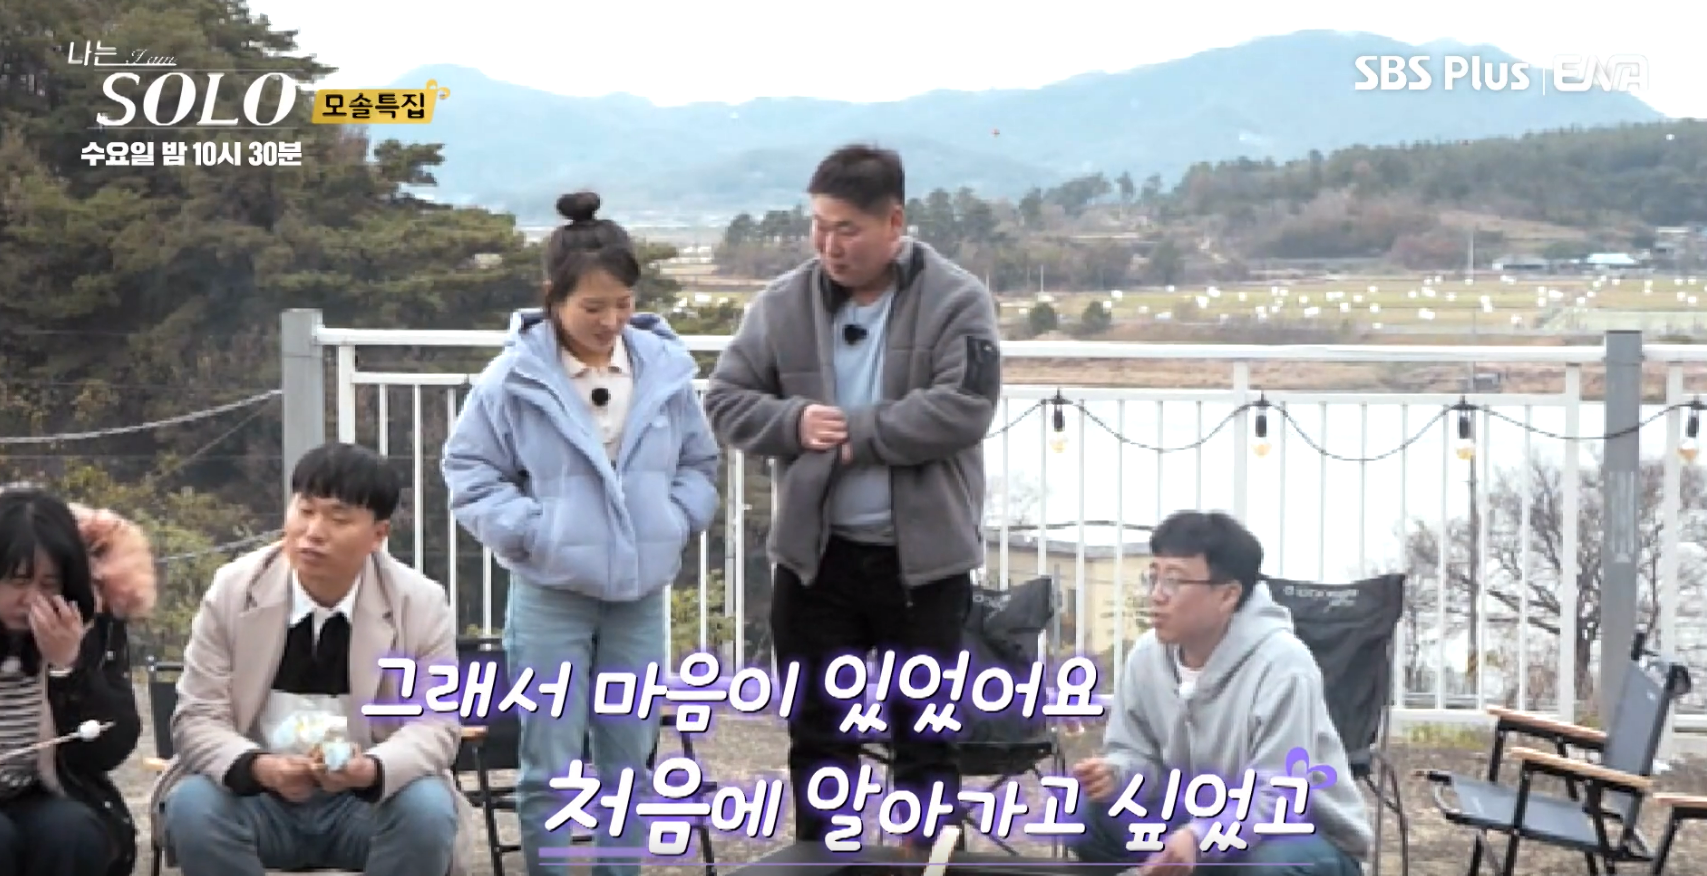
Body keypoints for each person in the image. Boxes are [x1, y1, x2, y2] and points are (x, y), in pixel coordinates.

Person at [702, 144, 1001, 847]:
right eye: (819, 226)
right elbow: (726, 400)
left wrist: (858, 434)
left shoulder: (957, 299)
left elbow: (965, 407)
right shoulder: (781, 304)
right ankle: (824, 863)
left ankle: (925, 863)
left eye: (847, 229)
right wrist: (793, 423)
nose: (829, 246)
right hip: (816, 561)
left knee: (924, 740)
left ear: (894, 222)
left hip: (922, 565)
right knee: (818, 738)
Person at [442, 191, 719, 876]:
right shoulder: (512, 377)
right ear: (552, 297)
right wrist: (535, 532)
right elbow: (469, 472)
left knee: (629, 761)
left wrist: (676, 519)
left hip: (639, 596)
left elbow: (699, 462)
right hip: (549, 593)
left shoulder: (663, 368)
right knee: (550, 765)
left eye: (622, 304)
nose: (610, 321)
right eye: (592, 307)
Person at [151, 443, 467, 876]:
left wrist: (369, 770)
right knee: (194, 804)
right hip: (258, 797)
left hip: (364, 804)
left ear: (378, 535)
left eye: (339, 518)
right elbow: (197, 717)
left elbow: (436, 725)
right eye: (305, 510)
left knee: (427, 809)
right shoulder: (234, 589)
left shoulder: (420, 603)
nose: (313, 532)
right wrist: (261, 768)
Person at [1067, 510, 1368, 876]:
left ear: (1227, 595)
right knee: (1084, 813)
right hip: (1194, 818)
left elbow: (1279, 795)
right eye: (1153, 577)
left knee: (1266, 867)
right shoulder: (1146, 657)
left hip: (1300, 834)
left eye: (1174, 581)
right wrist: (1117, 774)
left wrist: (1199, 836)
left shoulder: (1283, 666)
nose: (1156, 595)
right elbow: (1136, 753)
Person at [0, 486, 153, 876]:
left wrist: (68, 667)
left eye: (48, 584)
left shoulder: (88, 626)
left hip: (39, 790)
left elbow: (111, 748)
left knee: (72, 832)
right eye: (17, 580)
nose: (31, 599)